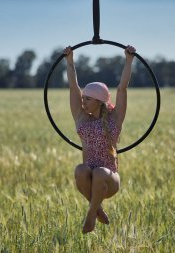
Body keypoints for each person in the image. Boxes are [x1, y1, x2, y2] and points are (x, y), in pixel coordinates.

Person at [64, 45, 136, 233]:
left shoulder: (115, 118)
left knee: (100, 172)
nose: (83, 101)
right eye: (83, 98)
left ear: (99, 102)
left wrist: (128, 61)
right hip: (88, 179)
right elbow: (73, 86)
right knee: (81, 169)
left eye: (88, 99)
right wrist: (70, 60)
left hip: (109, 180)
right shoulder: (81, 116)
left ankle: (91, 214)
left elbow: (122, 88)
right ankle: (97, 208)